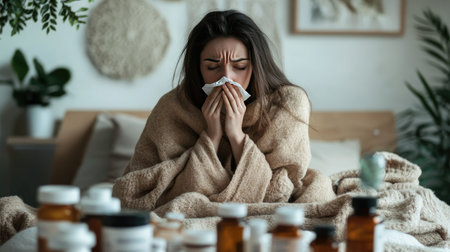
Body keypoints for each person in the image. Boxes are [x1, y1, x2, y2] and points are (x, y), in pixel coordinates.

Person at [112, 10, 335, 211]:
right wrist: (212, 136)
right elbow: (136, 191)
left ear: (256, 65)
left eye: (239, 67)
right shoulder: (173, 107)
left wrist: (236, 136)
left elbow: (279, 193)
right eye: (212, 67)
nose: (226, 77)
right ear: (197, 68)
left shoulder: (287, 103)